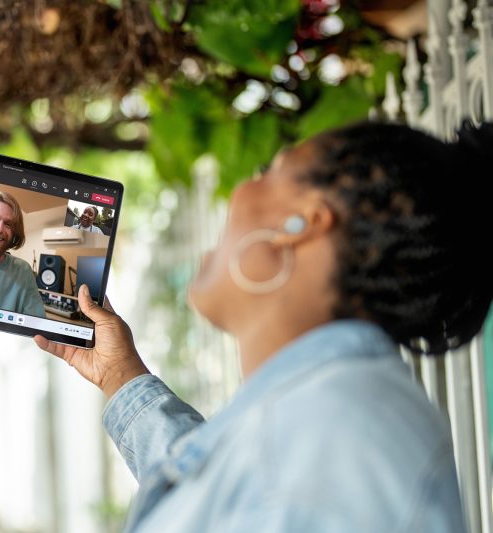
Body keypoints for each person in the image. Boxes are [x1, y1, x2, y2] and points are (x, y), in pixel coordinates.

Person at [35, 120, 493, 532]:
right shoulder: (325, 425)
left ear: (304, 224)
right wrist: (121, 377)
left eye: (267, 172)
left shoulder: (340, 443)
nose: (240, 190)